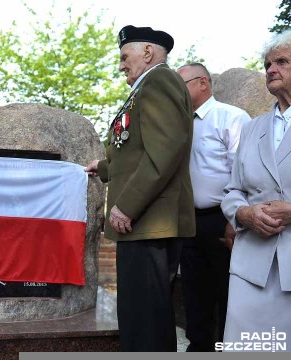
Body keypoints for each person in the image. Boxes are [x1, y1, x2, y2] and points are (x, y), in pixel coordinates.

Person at [84, 25, 194, 351]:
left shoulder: (160, 81)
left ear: (147, 53)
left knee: (144, 317)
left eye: (123, 56)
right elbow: (136, 150)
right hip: (144, 222)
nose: (120, 65)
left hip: (148, 221)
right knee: (141, 313)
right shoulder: (147, 85)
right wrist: (103, 168)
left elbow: (166, 148)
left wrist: (127, 205)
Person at [220, 29, 291, 351]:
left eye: (282, 62)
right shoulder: (252, 128)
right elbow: (233, 189)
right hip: (252, 264)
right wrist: (244, 213)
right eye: (267, 64)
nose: (271, 70)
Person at [175, 63, 250, 352]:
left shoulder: (231, 117)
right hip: (188, 220)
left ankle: (227, 349)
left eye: (182, 84)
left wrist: (235, 219)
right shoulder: (180, 122)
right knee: (193, 291)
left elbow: (241, 171)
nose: (177, 92)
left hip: (222, 217)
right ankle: (199, 348)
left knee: (227, 290)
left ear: (203, 83)